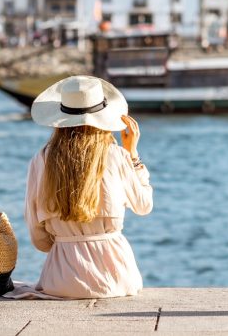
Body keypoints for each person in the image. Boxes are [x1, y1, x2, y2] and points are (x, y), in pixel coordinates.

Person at [23, 75, 152, 299]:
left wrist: (67, 245)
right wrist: (133, 156)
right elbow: (144, 206)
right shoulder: (117, 156)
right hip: (117, 279)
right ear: (103, 118)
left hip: (60, 279)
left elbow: (38, 237)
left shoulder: (40, 160)